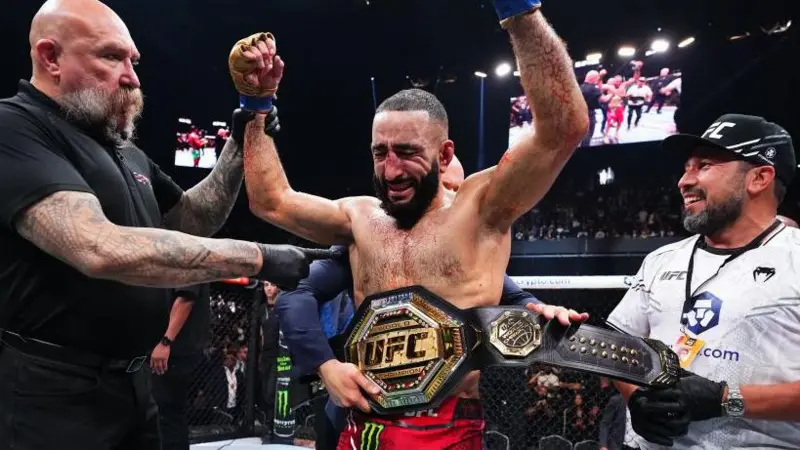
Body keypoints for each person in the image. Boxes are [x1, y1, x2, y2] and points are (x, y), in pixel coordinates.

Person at [229, 1, 590, 448]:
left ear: (443, 154)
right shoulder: (359, 217)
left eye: (407, 152)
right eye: (380, 153)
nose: (392, 170)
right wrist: (256, 105)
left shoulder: (481, 209)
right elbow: (271, 202)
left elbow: (563, 128)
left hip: (446, 428)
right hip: (362, 427)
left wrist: (519, 11)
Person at [0, 1, 337, 449]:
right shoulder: (15, 129)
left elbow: (194, 218)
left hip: (133, 385)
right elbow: (97, 248)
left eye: (133, 61)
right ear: (51, 57)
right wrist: (258, 257)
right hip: (49, 393)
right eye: (111, 57)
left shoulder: (122, 150)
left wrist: (245, 129)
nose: (132, 77)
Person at [276, 156, 545, 449]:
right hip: (366, 412)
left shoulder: (468, 258)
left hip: (445, 419)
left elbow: (519, 299)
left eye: (458, 192)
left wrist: (542, 312)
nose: (452, 202)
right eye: (445, 188)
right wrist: (325, 365)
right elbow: (296, 291)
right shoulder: (374, 239)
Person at [607, 114, 800, 449]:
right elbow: (619, 346)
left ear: (759, 178)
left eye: (704, 166)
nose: (684, 181)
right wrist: (635, 396)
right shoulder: (661, 260)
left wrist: (725, 399)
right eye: (686, 168)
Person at [151, 284, 211, 450]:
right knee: (166, 412)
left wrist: (165, 342)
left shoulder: (188, 267)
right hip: (173, 349)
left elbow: (186, 299)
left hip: (175, 351)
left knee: (166, 413)